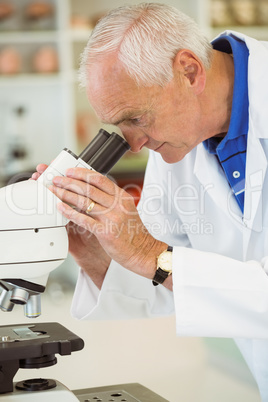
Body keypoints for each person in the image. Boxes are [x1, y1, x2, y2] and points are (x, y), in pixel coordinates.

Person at [33, 3, 268, 400]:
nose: (133, 144)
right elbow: (161, 280)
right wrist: (96, 250)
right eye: (119, 125)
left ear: (189, 71)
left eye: (136, 119)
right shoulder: (176, 139)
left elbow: (157, 258)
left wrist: (146, 250)